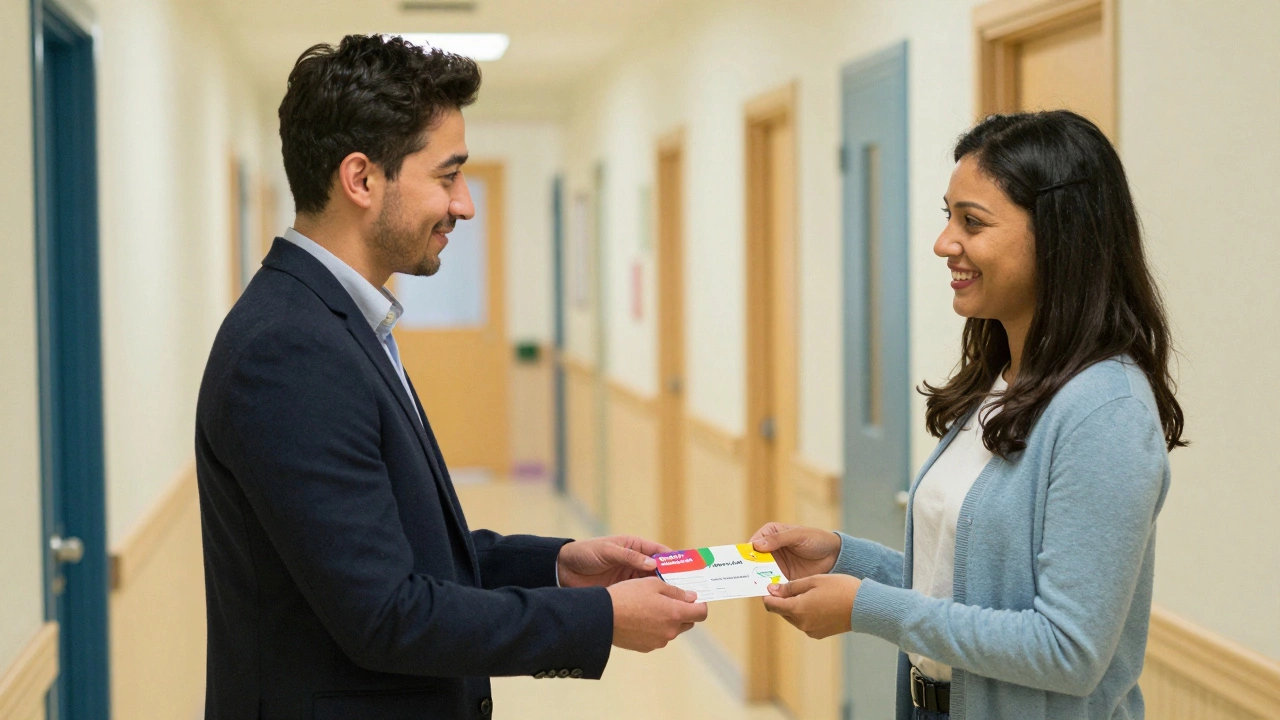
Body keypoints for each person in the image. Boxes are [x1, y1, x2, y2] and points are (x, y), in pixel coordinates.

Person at [195, 35, 706, 720]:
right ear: (362, 179)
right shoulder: (290, 350)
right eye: (447, 176)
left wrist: (560, 567)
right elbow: (385, 613)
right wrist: (599, 619)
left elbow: (396, 554)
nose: (464, 205)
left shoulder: (335, 322)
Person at [752, 110, 1183, 720]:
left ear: (1059, 236)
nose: (944, 242)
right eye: (947, 216)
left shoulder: (1103, 412)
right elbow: (971, 588)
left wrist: (865, 606)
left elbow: (1068, 650)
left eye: (972, 222)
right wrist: (844, 559)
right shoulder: (1002, 380)